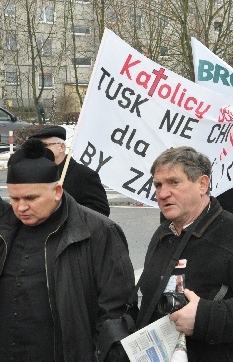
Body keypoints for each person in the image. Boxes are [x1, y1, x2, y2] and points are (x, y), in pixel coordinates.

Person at [136, 147, 233, 362]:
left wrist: (205, 318)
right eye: (158, 185)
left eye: (174, 182)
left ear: (202, 184)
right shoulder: (163, 234)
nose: (162, 193)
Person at [0, 138, 135, 361]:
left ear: (57, 191)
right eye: (14, 198)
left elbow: (116, 312)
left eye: (31, 198)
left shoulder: (99, 231)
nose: (21, 207)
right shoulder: (5, 226)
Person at [29, 125, 111, 216]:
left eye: (45, 145)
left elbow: (101, 210)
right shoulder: (34, 174)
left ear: (62, 147)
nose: (40, 150)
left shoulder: (84, 174)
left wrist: (65, 214)